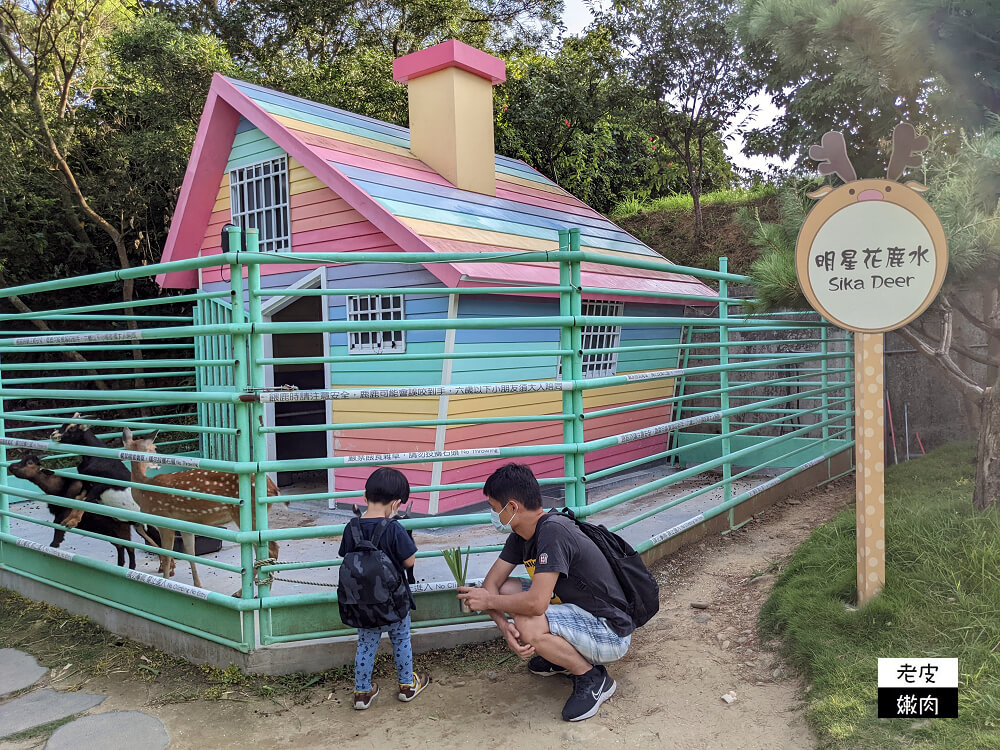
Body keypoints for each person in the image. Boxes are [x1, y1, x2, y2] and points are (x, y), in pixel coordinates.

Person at [457, 463, 633, 722]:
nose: (493, 516)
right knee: (507, 591)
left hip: (609, 632)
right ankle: (561, 657)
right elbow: (492, 585)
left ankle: (591, 677)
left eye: (495, 509)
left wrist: (490, 603)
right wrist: (504, 627)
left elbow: (537, 604)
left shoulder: (553, 531)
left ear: (513, 507)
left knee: (527, 620)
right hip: (580, 614)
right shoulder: (521, 534)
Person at [339, 467, 430, 710]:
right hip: (393, 603)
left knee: (366, 644)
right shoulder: (394, 528)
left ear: (364, 496)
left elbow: (346, 556)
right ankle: (406, 686)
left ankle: (362, 691)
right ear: (397, 503)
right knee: (401, 640)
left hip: (361, 604)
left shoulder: (352, 527)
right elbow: (409, 561)